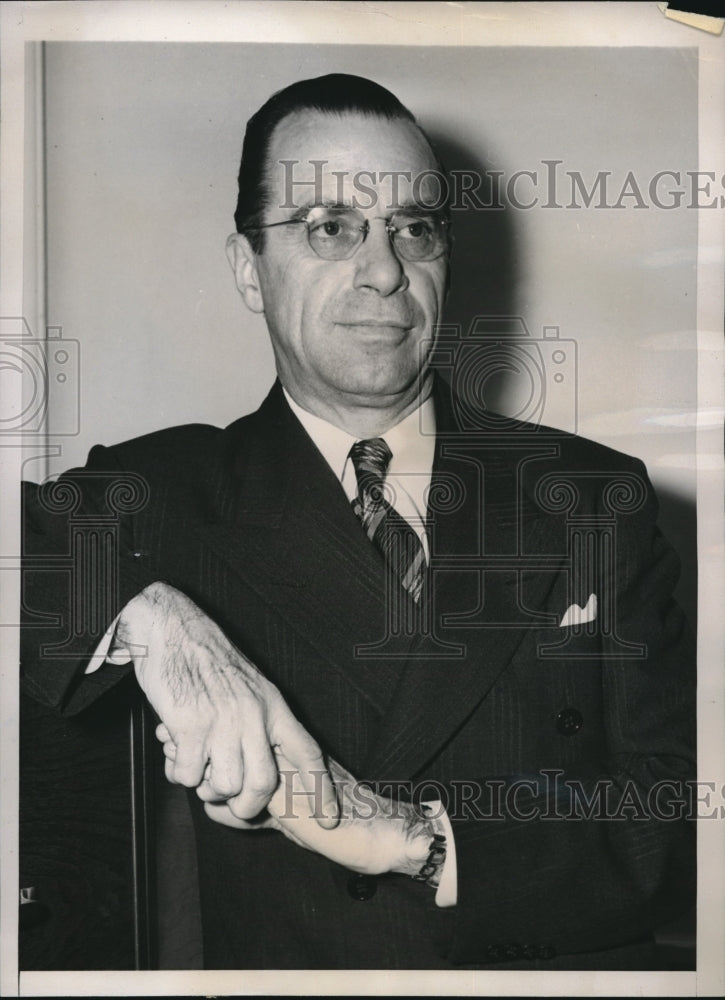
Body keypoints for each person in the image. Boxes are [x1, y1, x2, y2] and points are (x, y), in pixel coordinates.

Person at [21, 74, 695, 970]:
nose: (385, 271)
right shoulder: (164, 489)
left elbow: (676, 814)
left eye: (413, 228)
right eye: (330, 227)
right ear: (247, 268)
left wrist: (417, 840)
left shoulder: (591, 494)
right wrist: (157, 619)